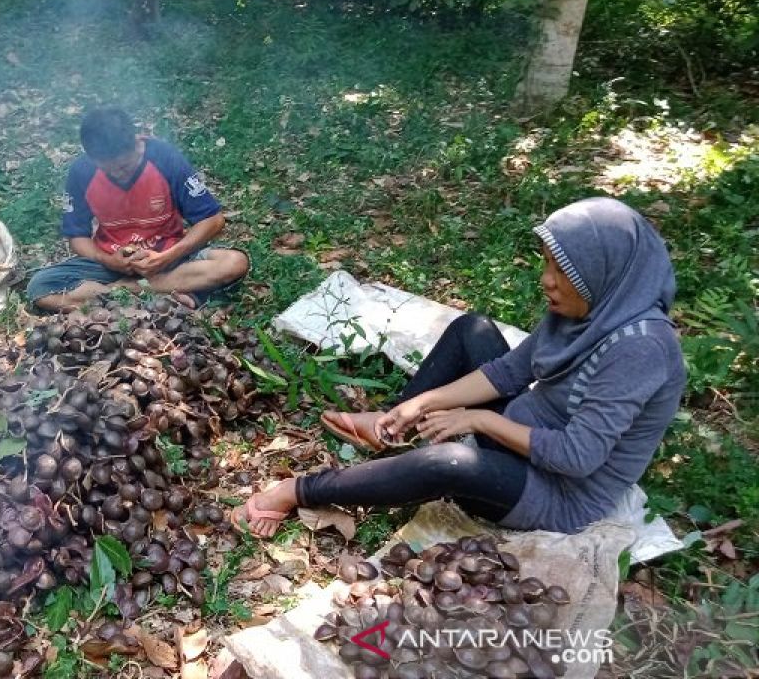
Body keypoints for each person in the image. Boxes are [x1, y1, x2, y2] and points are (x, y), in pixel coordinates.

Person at [231, 197, 687, 537]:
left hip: (554, 494)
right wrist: (421, 405)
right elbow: (509, 372)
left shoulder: (640, 349)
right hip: (521, 435)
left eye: (562, 270)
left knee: (452, 462)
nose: (546, 280)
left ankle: (301, 491)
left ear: (604, 273)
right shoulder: (590, 310)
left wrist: (479, 419)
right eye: (547, 263)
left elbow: (576, 457)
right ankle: (392, 425)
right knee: (473, 330)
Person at [26, 107, 249, 312]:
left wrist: (166, 257)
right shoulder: (82, 171)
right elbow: (77, 237)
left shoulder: (164, 158)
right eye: (109, 170)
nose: (119, 174)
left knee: (234, 263)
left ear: (137, 143)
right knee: (40, 287)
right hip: (113, 264)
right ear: (92, 158)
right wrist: (107, 259)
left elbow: (213, 220)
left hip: (170, 258)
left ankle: (125, 293)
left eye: (124, 166)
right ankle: (151, 294)